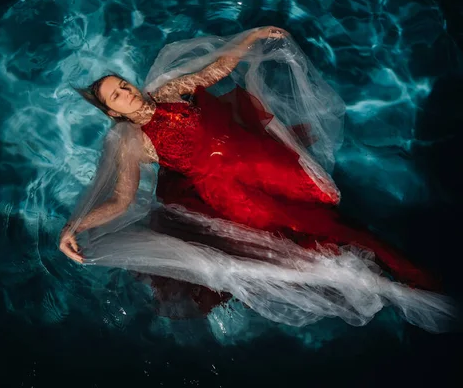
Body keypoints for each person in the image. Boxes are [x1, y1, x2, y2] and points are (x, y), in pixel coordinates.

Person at [56, 27, 455, 330]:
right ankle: (395, 278)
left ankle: (381, 268)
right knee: (309, 229)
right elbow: (122, 200)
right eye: (117, 96)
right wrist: (75, 225)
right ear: (114, 113)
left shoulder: (169, 91)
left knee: (323, 208)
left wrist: (254, 37)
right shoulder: (131, 144)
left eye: (123, 84)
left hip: (257, 159)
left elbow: (216, 68)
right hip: (231, 191)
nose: (127, 92)